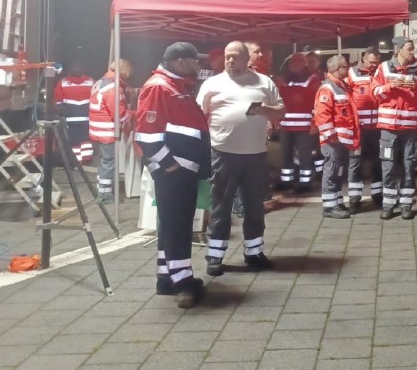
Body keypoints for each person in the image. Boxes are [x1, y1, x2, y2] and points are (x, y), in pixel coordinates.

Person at [133, 42, 211, 308]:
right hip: (174, 170)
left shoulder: (175, 85)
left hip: (180, 168)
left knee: (171, 223)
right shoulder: (160, 87)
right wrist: (170, 166)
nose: (197, 64)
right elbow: (147, 135)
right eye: (193, 60)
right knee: (177, 224)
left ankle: (167, 276)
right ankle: (182, 280)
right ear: (179, 62)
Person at [197, 41, 285, 276]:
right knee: (220, 207)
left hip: (255, 155)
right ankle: (215, 256)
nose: (230, 60)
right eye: (227, 56)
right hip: (222, 154)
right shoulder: (212, 84)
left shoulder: (264, 83)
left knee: (254, 207)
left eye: (236, 56)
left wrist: (265, 109)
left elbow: (281, 111)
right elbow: (198, 116)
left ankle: (254, 253)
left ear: (248, 59)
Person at [371, 37, 417, 220]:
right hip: (388, 127)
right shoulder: (383, 68)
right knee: (388, 166)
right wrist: (389, 87)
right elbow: (374, 93)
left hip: (410, 128)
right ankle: (388, 204)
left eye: (413, 49)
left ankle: (406, 204)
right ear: (398, 50)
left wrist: (416, 88)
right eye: (410, 49)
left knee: (409, 165)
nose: (413, 52)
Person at [314, 55, 361, 218]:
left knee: (338, 172)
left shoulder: (341, 86)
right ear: (336, 69)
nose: (348, 69)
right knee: (332, 171)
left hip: (342, 140)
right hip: (333, 141)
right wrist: (331, 136)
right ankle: (329, 207)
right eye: (345, 66)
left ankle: (337, 202)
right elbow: (322, 115)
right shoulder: (328, 88)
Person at [274, 53, 320, 193]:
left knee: (304, 155)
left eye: (299, 62)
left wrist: (314, 123)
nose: (295, 64)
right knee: (286, 155)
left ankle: (305, 183)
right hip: (286, 125)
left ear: (305, 64)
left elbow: (316, 103)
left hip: (304, 125)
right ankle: (287, 181)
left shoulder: (313, 79)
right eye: (293, 62)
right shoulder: (283, 79)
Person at [89, 59, 133, 203]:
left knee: (102, 162)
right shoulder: (113, 88)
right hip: (107, 131)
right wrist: (133, 114)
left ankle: (101, 190)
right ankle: (105, 196)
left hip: (96, 129)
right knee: (108, 163)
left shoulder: (101, 82)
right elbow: (119, 114)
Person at [348, 47, 384, 208]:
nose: (373, 66)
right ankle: (355, 196)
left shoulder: (380, 73)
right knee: (356, 161)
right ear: (363, 58)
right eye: (371, 62)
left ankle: (378, 194)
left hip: (377, 126)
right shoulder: (351, 73)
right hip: (358, 127)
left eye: (376, 63)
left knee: (378, 161)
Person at [55, 59, 94, 163]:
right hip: (87, 117)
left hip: (70, 118)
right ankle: (86, 158)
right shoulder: (91, 82)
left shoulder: (62, 83)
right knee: (85, 139)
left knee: (73, 140)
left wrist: (60, 112)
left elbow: (58, 102)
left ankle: (76, 160)